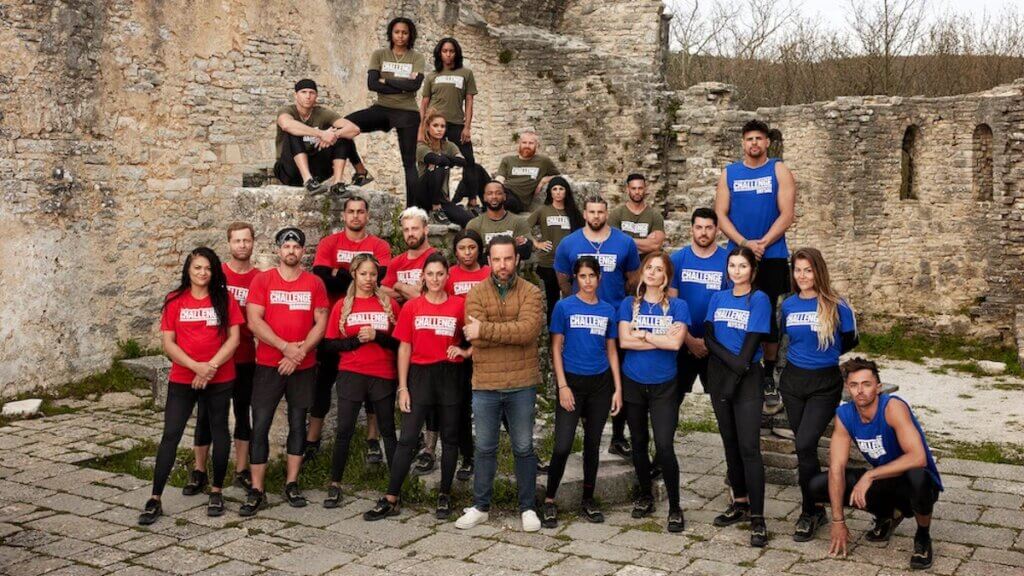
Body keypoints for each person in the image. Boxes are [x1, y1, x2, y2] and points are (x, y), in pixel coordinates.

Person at [139, 248, 243, 525]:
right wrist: (196, 367)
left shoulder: (225, 298)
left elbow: (234, 340)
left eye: (207, 268)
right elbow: (168, 343)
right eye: (197, 268)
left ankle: (217, 490)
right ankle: (155, 497)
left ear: (214, 271)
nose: (202, 273)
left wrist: (209, 368)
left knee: (220, 431)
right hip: (184, 378)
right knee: (171, 434)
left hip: (220, 377)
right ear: (188, 269)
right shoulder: (175, 300)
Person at [363, 253, 470, 521]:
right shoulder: (413, 307)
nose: (435, 279)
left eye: (440, 274)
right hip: (419, 376)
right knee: (408, 438)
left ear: (448, 276)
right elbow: (404, 348)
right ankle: (391, 497)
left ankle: (445, 494)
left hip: (450, 375)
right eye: (430, 274)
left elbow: (476, 335)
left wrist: (465, 352)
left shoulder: (459, 305)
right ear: (422, 276)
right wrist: (402, 387)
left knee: (450, 438)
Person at [810, 357, 943, 571]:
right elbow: (836, 468)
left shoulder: (893, 407)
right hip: (884, 479)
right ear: (847, 388)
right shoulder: (844, 415)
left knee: (918, 477)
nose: (860, 391)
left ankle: (923, 536)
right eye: (854, 385)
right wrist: (838, 521)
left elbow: (918, 457)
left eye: (866, 384)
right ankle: (887, 515)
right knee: (816, 485)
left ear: (878, 387)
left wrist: (869, 476)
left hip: (914, 481)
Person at [455, 236, 544, 532]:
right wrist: (495, 331)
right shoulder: (477, 293)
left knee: (523, 447)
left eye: (508, 258)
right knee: (484, 447)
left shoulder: (531, 292)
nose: (502, 265)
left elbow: (528, 332)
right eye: (497, 259)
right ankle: (480, 507)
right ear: (488, 261)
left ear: (517, 259)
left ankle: (528, 508)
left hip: (521, 382)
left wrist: (487, 329)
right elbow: (473, 335)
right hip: (486, 384)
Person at [241, 228, 330, 515]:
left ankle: (292, 483)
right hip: (269, 364)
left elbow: (321, 323)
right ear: (278, 250)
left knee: (297, 422)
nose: (291, 250)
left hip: (303, 366)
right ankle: (257, 488)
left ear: (303, 252)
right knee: (261, 425)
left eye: (296, 246)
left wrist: (300, 352)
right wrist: (285, 347)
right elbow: (254, 321)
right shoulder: (262, 280)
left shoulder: (314, 283)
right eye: (286, 246)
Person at [714, 119, 796, 412]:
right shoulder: (729, 174)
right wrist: (745, 244)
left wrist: (762, 243)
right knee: (737, 312)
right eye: (749, 139)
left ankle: (768, 375)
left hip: (771, 254)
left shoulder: (778, 170)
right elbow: (721, 215)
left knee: (770, 316)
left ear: (767, 143)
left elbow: (787, 214)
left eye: (759, 139)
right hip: (739, 254)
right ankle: (737, 367)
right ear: (743, 143)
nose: (754, 144)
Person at [780, 248, 859, 541]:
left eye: (808, 270)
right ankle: (815, 510)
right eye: (797, 270)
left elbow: (850, 340)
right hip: (793, 383)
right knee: (805, 450)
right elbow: (784, 340)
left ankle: (808, 510)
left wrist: (824, 356)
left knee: (804, 443)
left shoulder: (837, 305)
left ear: (818, 272)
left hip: (824, 384)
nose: (802, 276)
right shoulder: (787, 305)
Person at [307, 196, 393, 465]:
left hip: (371, 322)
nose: (355, 216)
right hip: (337, 325)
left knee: (374, 389)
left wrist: (339, 273)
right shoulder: (329, 242)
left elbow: (380, 274)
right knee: (323, 384)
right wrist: (346, 276)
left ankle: (371, 440)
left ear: (367, 216)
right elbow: (321, 274)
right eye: (351, 212)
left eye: (361, 212)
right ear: (343, 216)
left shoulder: (378, 245)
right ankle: (312, 440)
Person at [554, 194, 640, 459]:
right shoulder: (569, 243)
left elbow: (632, 279)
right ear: (585, 213)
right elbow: (562, 278)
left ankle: (617, 435)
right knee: (582, 375)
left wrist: (616, 306)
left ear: (607, 213)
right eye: (591, 212)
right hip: (580, 322)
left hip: (614, 319)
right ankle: (584, 428)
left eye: (600, 212)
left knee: (617, 378)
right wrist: (575, 305)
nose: (596, 217)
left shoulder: (624, 242)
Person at [541, 256, 622, 528]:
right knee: (563, 445)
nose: (588, 281)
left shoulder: (608, 310)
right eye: (582, 276)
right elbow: (556, 348)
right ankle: (550, 499)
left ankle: (588, 499)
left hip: (600, 384)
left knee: (592, 445)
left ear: (600, 278)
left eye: (592, 276)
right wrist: (562, 386)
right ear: (576, 279)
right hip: (572, 383)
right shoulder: (564, 307)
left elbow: (611, 350)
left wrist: (617, 388)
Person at [185, 224, 262, 497]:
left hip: (244, 357)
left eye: (246, 240)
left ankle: (241, 470)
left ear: (253, 243)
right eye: (236, 241)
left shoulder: (260, 279)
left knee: (243, 413)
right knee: (205, 416)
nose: (242, 245)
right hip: (214, 360)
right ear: (229, 244)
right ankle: (199, 471)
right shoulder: (218, 276)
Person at [320, 254, 401, 508]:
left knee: (388, 431)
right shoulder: (343, 305)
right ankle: (334, 484)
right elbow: (329, 345)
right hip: (352, 373)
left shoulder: (388, 304)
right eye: (364, 274)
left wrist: (377, 336)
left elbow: (400, 343)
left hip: (382, 373)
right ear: (354, 274)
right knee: (344, 430)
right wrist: (356, 341)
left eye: (373, 274)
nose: (369, 279)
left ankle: (395, 488)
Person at [703, 247, 772, 547]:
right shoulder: (717, 297)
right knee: (730, 444)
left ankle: (758, 518)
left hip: (746, 381)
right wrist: (728, 366)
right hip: (719, 377)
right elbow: (707, 336)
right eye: (732, 265)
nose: (736, 271)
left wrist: (734, 370)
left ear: (752, 270)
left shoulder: (758, 299)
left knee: (748, 448)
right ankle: (739, 503)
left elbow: (748, 353)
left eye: (742, 266)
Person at [618, 252, 689, 533]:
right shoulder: (628, 304)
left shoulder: (678, 306)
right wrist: (661, 339)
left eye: (658, 269)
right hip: (633, 381)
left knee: (664, 445)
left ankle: (675, 506)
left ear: (665, 277)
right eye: (648, 267)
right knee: (638, 442)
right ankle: (645, 495)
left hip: (664, 384)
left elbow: (675, 346)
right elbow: (624, 340)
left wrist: (644, 336)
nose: (652, 272)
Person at [420, 230, 489, 480]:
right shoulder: (449, 276)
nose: (467, 252)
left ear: (479, 249)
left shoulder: (488, 274)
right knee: (458, 406)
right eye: (462, 248)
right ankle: (466, 455)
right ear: (455, 251)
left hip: (487, 344)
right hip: (457, 346)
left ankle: (510, 453)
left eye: (472, 247)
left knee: (488, 405)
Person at [334, 17, 425, 206]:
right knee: (341, 126)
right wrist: (402, 86)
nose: (400, 36)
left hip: (407, 112)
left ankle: (413, 210)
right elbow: (372, 84)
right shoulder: (379, 55)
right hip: (382, 109)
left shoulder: (416, 57)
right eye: (397, 32)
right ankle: (358, 172)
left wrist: (387, 81)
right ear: (391, 34)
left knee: (409, 164)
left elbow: (415, 85)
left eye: (405, 33)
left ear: (410, 36)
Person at [668, 208, 728, 404]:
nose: (703, 232)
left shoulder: (728, 260)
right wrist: (689, 340)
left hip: (716, 345)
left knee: (723, 403)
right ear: (691, 229)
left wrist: (708, 342)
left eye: (709, 228)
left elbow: (730, 304)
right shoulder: (677, 260)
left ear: (717, 230)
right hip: (682, 342)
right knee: (671, 401)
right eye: (699, 227)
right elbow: (670, 305)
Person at [274, 79, 371, 195]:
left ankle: (338, 184)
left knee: (343, 136)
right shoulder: (287, 111)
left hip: (316, 168)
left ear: (316, 96)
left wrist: (334, 135)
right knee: (293, 132)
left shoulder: (322, 113)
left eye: (312, 93)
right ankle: (308, 181)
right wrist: (321, 134)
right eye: (303, 92)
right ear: (296, 95)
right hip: (289, 170)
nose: (308, 96)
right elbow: (286, 125)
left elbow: (354, 129)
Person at [419, 37, 480, 209]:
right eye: (444, 51)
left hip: (456, 125)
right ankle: (434, 201)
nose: (448, 54)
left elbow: (469, 101)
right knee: (433, 162)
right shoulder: (432, 76)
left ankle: (473, 199)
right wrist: (422, 127)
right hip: (434, 126)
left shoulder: (465, 73)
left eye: (451, 51)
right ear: (439, 53)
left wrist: (467, 127)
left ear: (456, 53)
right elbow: (424, 103)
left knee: (468, 160)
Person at [527, 176, 584, 321]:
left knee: (572, 300)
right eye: (554, 189)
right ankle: (554, 339)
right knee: (552, 302)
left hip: (570, 264)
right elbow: (523, 227)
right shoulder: (543, 210)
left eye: (561, 189)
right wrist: (536, 243)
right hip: (549, 263)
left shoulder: (573, 212)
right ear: (550, 192)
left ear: (566, 192)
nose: (558, 192)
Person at [414, 109, 472, 226]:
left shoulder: (449, 146)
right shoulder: (421, 147)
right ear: (428, 127)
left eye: (442, 126)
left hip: (441, 198)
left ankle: (439, 208)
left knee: (469, 219)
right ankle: (435, 210)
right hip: (423, 194)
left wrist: (444, 159)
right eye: (435, 125)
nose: (439, 129)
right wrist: (446, 160)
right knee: (439, 165)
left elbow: (463, 161)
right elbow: (436, 160)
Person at [466, 181, 534, 262]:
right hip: (484, 273)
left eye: (498, 193)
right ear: (484, 197)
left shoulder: (519, 222)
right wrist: (512, 246)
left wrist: (487, 251)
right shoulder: (474, 224)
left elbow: (526, 252)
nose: (494, 196)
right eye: (490, 193)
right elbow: (473, 256)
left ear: (504, 196)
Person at [494, 130, 560, 213]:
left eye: (531, 143)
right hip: (504, 191)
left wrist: (543, 181)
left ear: (537, 145)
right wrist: (493, 189)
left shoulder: (543, 161)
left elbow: (559, 177)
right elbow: (500, 178)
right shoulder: (508, 160)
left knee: (504, 200)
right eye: (524, 142)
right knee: (478, 169)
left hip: (518, 201)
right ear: (519, 144)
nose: (527, 146)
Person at [382, 207, 437, 304]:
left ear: (426, 230)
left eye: (415, 229)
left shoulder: (436, 258)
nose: (410, 234)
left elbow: (425, 297)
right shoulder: (396, 262)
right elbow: (382, 291)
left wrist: (399, 286)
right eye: (406, 230)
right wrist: (410, 291)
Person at [609, 174, 666, 259]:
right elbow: (613, 243)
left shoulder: (655, 216)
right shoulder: (616, 214)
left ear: (645, 189)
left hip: (646, 266)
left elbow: (655, 245)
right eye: (633, 188)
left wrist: (624, 240)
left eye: (640, 188)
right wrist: (646, 242)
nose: (637, 192)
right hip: (623, 265)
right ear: (627, 190)